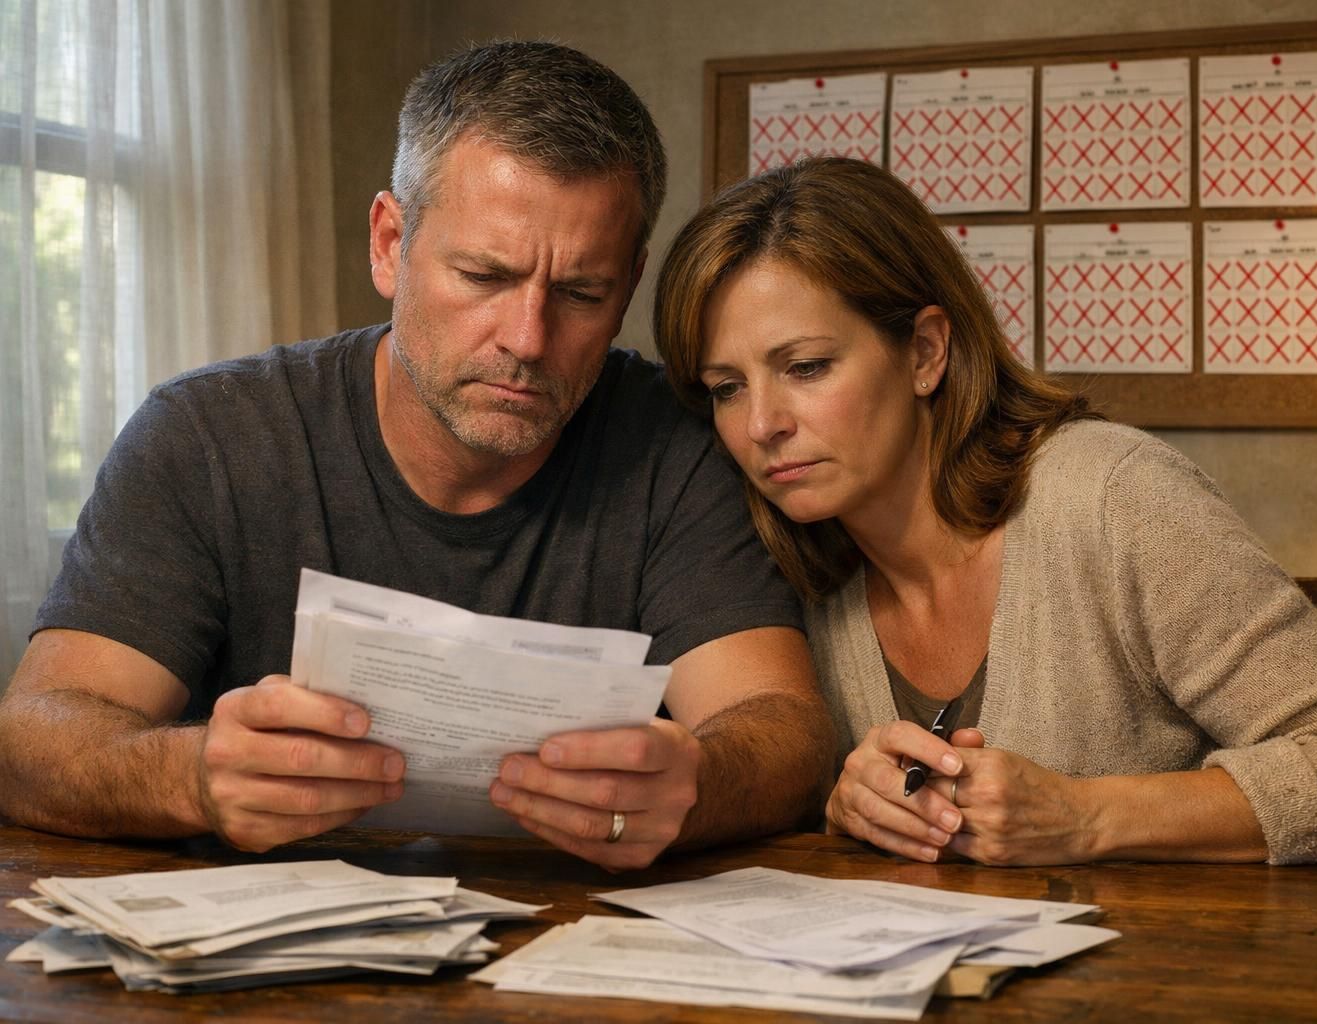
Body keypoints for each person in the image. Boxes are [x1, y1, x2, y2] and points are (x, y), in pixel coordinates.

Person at [0, 41, 834, 872]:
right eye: (482, 275)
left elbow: (782, 730)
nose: (527, 340)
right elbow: (33, 738)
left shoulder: (676, 445)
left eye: (582, 294)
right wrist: (189, 777)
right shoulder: (208, 435)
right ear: (389, 243)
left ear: (629, 285)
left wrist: (698, 783)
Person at [652, 156, 1317, 870]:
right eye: (727, 388)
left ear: (926, 352)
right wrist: (847, 806)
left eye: (806, 366)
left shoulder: (1113, 498)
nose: (761, 425)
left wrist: (1088, 817)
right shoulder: (777, 570)